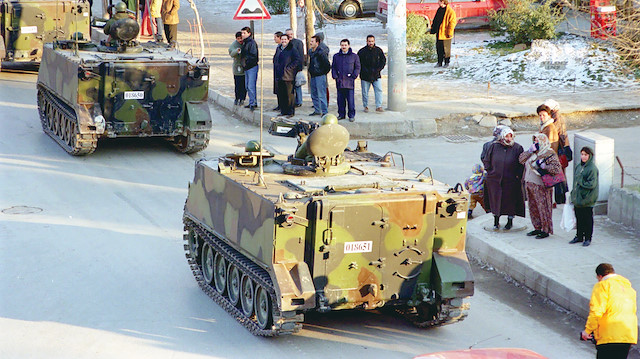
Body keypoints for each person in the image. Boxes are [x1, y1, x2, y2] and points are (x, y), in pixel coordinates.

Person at [581, 263, 637, 358]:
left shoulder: (602, 286)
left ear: (600, 276)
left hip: (609, 336)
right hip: (627, 335)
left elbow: (597, 311)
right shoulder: (628, 288)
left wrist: (587, 331)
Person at [519, 133, 562, 239]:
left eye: (538, 141)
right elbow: (521, 160)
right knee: (533, 207)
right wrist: (529, 151)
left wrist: (545, 166)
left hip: (541, 185)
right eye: (534, 141)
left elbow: (556, 168)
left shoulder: (549, 153)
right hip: (529, 183)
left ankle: (545, 229)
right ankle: (537, 227)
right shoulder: (533, 152)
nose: (535, 143)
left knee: (543, 207)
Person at [482, 126, 525, 230]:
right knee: (495, 201)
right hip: (495, 180)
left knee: (510, 202)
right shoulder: (494, 146)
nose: (509, 138)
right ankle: (496, 221)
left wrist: (517, 176)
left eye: (511, 136)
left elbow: (521, 164)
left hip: (511, 181)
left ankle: (509, 221)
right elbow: (486, 159)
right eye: (506, 136)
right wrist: (491, 172)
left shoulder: (517, 148)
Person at [569, 146, 599, 246]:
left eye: (585, 155)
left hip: (587, 199)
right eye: (582, 154)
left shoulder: (592, 168)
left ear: (590, 156)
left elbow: (592, 184)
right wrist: (573, 194)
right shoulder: (579, 166)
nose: (583, 157)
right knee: (579, 218)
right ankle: (579, 236)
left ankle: (588, 238)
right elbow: (575, 182)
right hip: (578, 199)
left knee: (587, 219)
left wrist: (580, 181)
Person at [332, 39, 360, 122]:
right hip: (340, 82)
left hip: (349, 82)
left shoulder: (354, 56)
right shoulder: (336, 56)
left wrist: (354, 76)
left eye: (345, 45)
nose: (344, 47)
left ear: (349, 46)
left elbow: (357, 67)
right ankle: (341, 114)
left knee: (350, 101)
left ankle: (351, 115)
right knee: (340, 100)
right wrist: (335, 76)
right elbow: (333, 67)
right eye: (342, 45)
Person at [275, 34, 302, 117]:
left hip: (288, 76)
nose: (283, 41)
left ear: (288, 40)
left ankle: (290, 112)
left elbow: (297, 60)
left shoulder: (292, 49)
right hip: (279, 75)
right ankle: (284, 111)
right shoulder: (279, 49)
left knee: (289, 94)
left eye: (285, 39)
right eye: (282, 39)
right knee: (282, 94)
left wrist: (289, 68)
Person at [357, 35, 386, 113]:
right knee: (365, 92)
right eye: (369, 41)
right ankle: (365, 106)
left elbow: (383, 61)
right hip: (365, 76)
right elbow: (358, 63)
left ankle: (378, 106)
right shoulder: (361, 51)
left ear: (374, 41)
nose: (371, 43)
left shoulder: (378, 50)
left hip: (376, 75)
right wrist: (363, 71)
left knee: (379, 90)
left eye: (372, 41)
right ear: (366, 41)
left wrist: (378, 69)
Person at [307, 34, 331, 116]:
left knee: (321, 94)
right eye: (310, 41)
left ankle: (324, 111)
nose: (310, 43)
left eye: (312, 41)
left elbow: (327, 65)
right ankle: (317, 110)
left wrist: (322, 72)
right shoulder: (311, 51)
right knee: (313, 94)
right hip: (313, 75)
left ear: (317, 43)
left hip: (320, 75)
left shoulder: (321, 52)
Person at [430, 0, 457, 68]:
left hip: (446, 34)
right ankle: (439, 62)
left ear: (442, 1)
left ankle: (447, 62)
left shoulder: (450, 11)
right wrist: (433, 29)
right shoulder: (439, 10)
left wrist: (450, 33)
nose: (437, 2)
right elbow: (435, 20)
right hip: (439, 33)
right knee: (439, 48)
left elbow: (452, 23)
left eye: (439, 1)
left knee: (446, 49)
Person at [240, 27, 259, 111]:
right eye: (242, 33)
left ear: (249, 33)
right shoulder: (245, 42)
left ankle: (253, 103)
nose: (242, 35)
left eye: (244, 33)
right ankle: (251, 101)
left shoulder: (251, 43)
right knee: (247, 86)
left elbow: (253, 55)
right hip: (247, 67)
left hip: (251, 67)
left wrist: (246, 61)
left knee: (251, 86)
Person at [285, 28, 305, 107]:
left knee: (297, 85)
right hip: (288, 70)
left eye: (291, 34)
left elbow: (301, 56)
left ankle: (299, 101)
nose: (290, 36)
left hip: (296, 68)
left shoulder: (298, 43)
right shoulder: (285, 43)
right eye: (288, 34)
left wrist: (299, 68)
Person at [229, 32, 246, 106]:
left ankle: (242, 98)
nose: (240, 40)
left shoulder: (246, 43)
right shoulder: (234, 45)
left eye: (241, 38)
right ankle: (237, 98)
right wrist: (237, 51)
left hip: (245, 66)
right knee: (238, 83)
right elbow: (231, 53)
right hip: (237, 66)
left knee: (244, 84)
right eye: (238, 39)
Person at [272, 31, 284, 111]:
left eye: (275, 37)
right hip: (277, 71)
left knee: (282, 90)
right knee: (278, 90)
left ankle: (282, 106)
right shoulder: (278, 47)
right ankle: (279, 105)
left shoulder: (282, 48)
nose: (274, 39)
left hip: (282, 72)